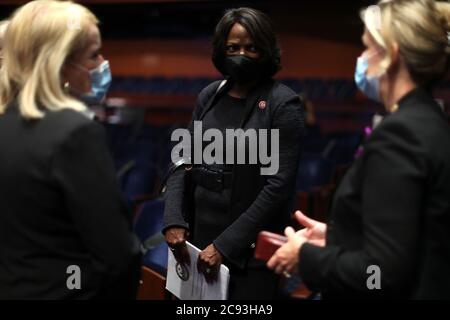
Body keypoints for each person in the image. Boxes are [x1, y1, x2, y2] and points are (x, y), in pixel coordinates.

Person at [268, 0, 450, 299]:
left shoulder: (400, 135)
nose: (362, 58)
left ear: (391, 54)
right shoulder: (430, 121)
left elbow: (379, 276)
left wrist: (305, 256)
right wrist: (338, 237)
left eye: (366, 48)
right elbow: (406, 237)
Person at [0, 0, 140, 299]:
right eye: (93, 54)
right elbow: (117, 256)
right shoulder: (75, 133)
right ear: (61, 64)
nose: (102, 62)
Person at [163, 7, 304, 299]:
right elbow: (182, 159)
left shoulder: (283, 103)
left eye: (251, 47)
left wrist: (226, 245)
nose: (241, 54)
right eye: (233, 47)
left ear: (265, 50)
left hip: (247, 252)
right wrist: (173, 218)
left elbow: (277, 186)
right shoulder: (210, 95)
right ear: (221, 51)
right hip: (198, 241)